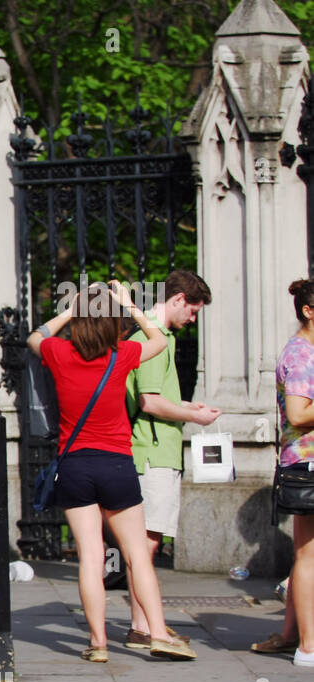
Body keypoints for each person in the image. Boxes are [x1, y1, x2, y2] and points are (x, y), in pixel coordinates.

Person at [29, 280, 193, 661]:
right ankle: (157, 634)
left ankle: (98, 643)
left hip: (74, 465)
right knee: (137, 554)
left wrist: (74, 308)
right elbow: (160, 340)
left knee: (91, 555)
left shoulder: (59, 352)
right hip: (117, 463)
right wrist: (130, 305)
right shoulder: (121, 354)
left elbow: (35, 336)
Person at [123, 270, 221, 648]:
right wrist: (193, 416)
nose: (192, 320)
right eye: (193, 311)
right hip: (152, 451)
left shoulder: (157, 337)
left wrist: (184, 406)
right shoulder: (155, 338)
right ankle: (142, 626)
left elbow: (155, 397)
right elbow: (148, 401)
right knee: (144, 545)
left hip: (156, 448)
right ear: (178, 300)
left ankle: (144, 623)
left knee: (147, 542)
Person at [260, 279, 314, 665]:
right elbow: (297, 415)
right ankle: (308, 647)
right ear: (308, 311)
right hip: (309, 462)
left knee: (305, 554)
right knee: (308, 556)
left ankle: (291, 634)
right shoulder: (300, 354)